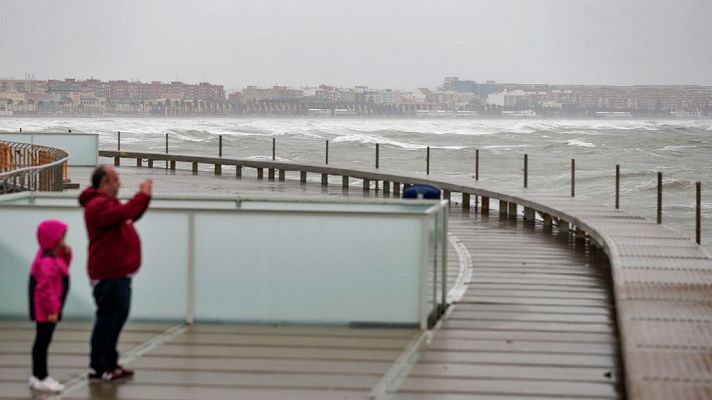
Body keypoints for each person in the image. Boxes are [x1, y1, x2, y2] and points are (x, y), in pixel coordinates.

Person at [78, 166, 152, 381]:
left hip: (119, 275)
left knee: (115, 320)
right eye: (115, 180)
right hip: (108, 276)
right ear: (104, 183)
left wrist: (144, 198)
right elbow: (125, 212)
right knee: (107, 321)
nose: (119, 184)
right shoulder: (97, 206)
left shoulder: (107, 204)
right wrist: (142, 195)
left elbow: (131, 213)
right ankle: (99, 366)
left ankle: (110, 363)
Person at [28, 220, 72, 392]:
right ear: (52, 240)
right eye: (61, 238)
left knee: (42, 340)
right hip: (47, 310)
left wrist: (66, 254)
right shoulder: (46, 261)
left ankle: (36, 375)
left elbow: (63, 268)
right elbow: (46, 289)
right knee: (43, 341)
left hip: (48, 308)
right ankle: (41, 376)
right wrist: (53, 310)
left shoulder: (51, 256)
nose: (63, 241)